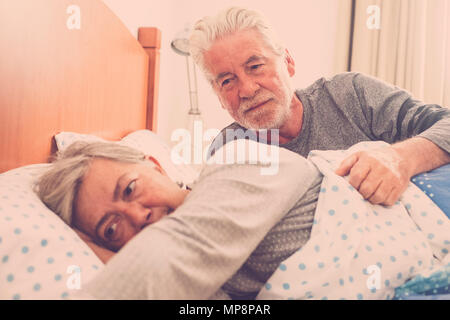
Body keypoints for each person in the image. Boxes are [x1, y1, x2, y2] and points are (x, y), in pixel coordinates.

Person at [188, 6, 450, 207]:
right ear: (219, 96)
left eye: (255, 66)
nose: (247, 90)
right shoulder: (227, 149)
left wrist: (400, 159)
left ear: (287, 62)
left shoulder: (351, 94)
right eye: (227, 81)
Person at [35, 140, 323, 299]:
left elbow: (171, 256)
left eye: (130, 188)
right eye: (112, 228)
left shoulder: (238, 160)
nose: (137, 215)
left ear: (156, 166)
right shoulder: (198, 281)